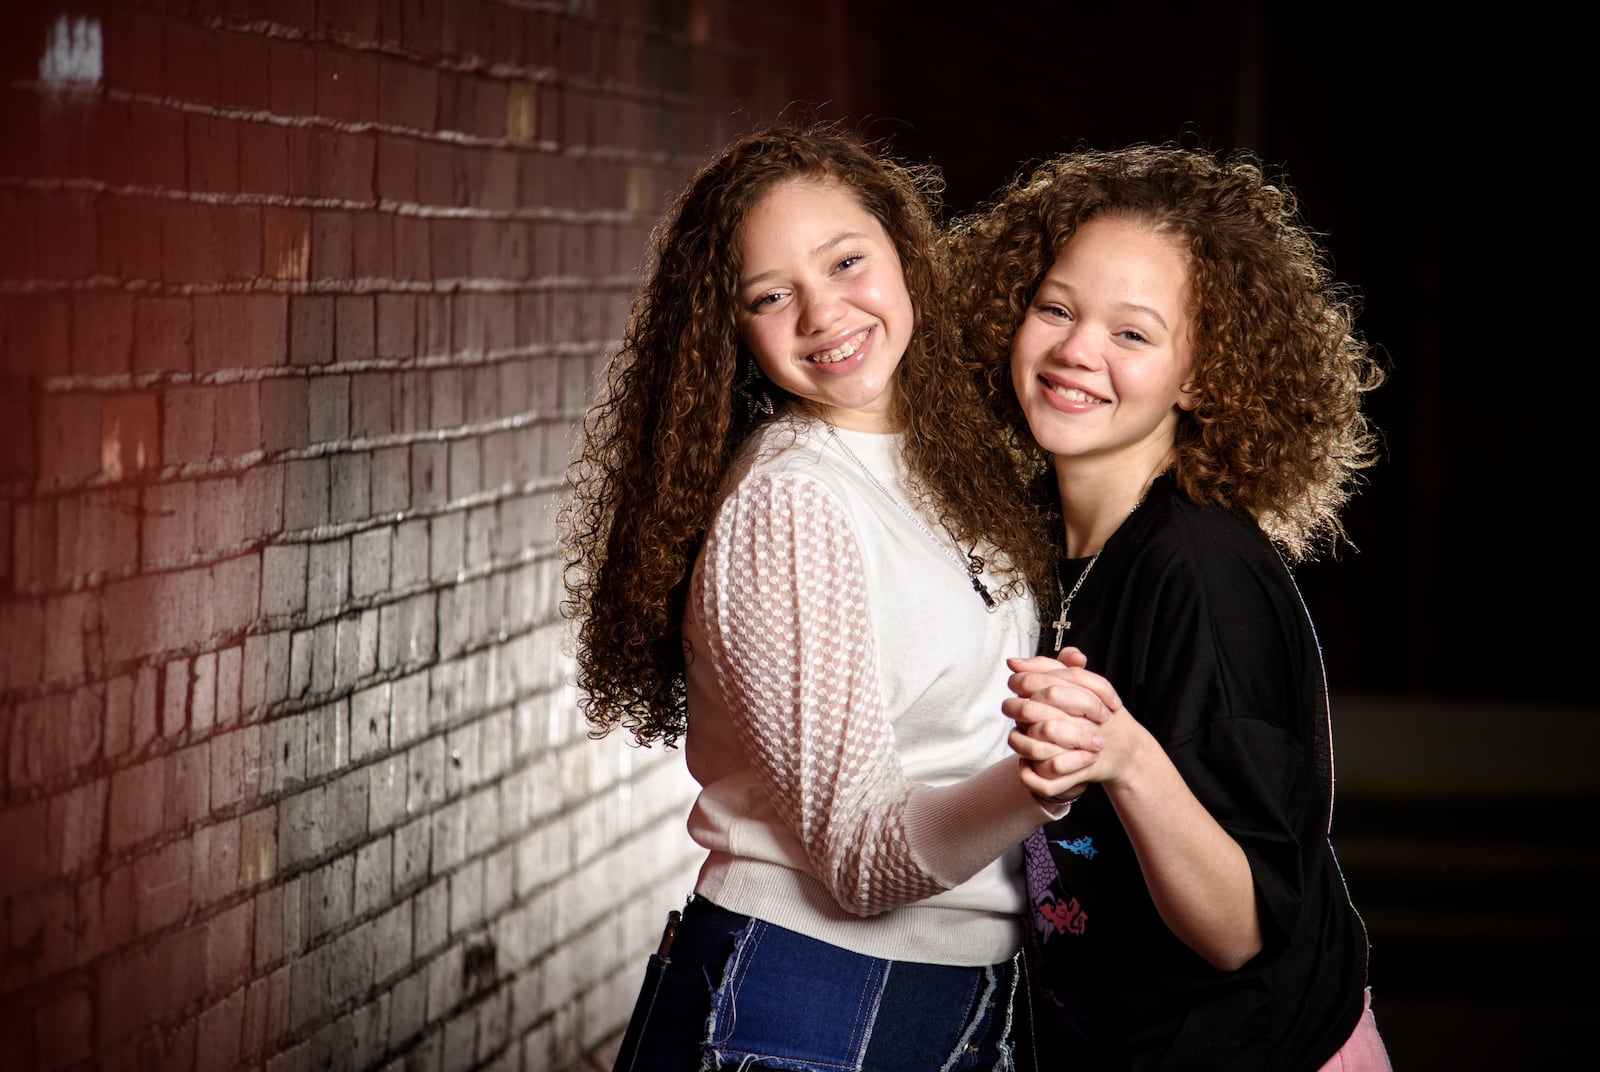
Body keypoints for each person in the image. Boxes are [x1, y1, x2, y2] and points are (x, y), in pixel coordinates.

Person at [559, 123, 1116, 1071]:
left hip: (966, 987)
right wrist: (1043, 778)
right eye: (772, 296)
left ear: (902, 252)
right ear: (731, 331)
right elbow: (860, 861)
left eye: (846, 261)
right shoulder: (791, 498)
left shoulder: (946, 455)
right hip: (799, 1001)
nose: (824, 314)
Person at [950, 144, 1392, 1071]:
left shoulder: (1204, 575)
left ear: (1202, 376)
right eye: (1057, 309)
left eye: (1133, 334)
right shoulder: (1036, 539)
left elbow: (1239, 928)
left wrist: (1126, 755)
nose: (1077, 351)